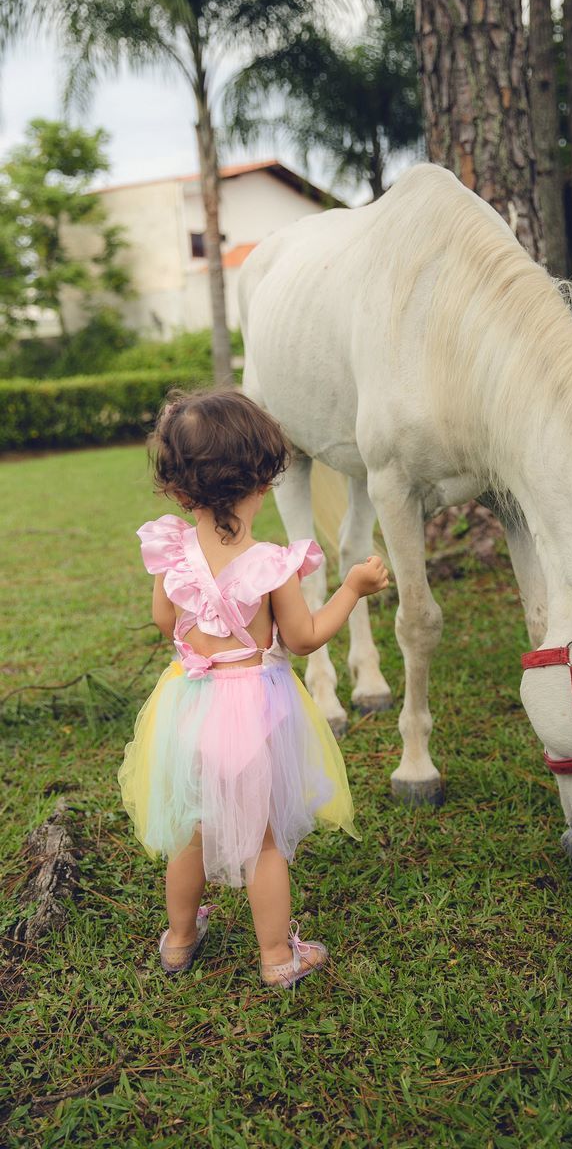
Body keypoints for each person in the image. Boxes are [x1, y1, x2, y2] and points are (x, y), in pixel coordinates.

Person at [119, 388, 389, 988]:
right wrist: (351, 589)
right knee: (263, 840)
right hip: (255, 713)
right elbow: (304, 638)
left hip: (186, 705)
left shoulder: (172, 553)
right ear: (260, 483)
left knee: (190, 831)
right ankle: (276, 957)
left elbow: (165, 622)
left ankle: (179, 941)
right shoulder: (270, 564)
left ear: (178, 490)